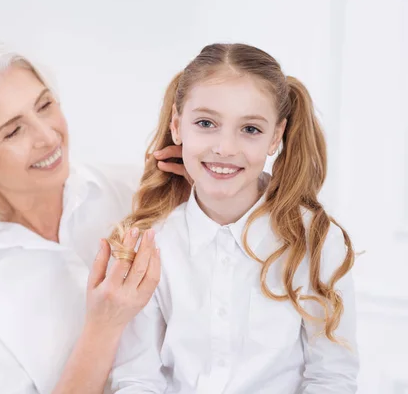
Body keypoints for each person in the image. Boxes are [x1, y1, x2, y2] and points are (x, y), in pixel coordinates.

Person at [0, 39, 188, 394]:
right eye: (13, 131)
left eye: (44, 106)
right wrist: (103, 325)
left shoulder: (134, 189)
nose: (47, 136)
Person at [108, 43, 359, 393]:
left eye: (250, 129)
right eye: (206, 123)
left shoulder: (315, 241)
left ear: (276, 136)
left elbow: (331, 378)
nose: (225, 147)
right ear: (177, 127)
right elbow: (136, 378)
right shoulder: (152, 241)